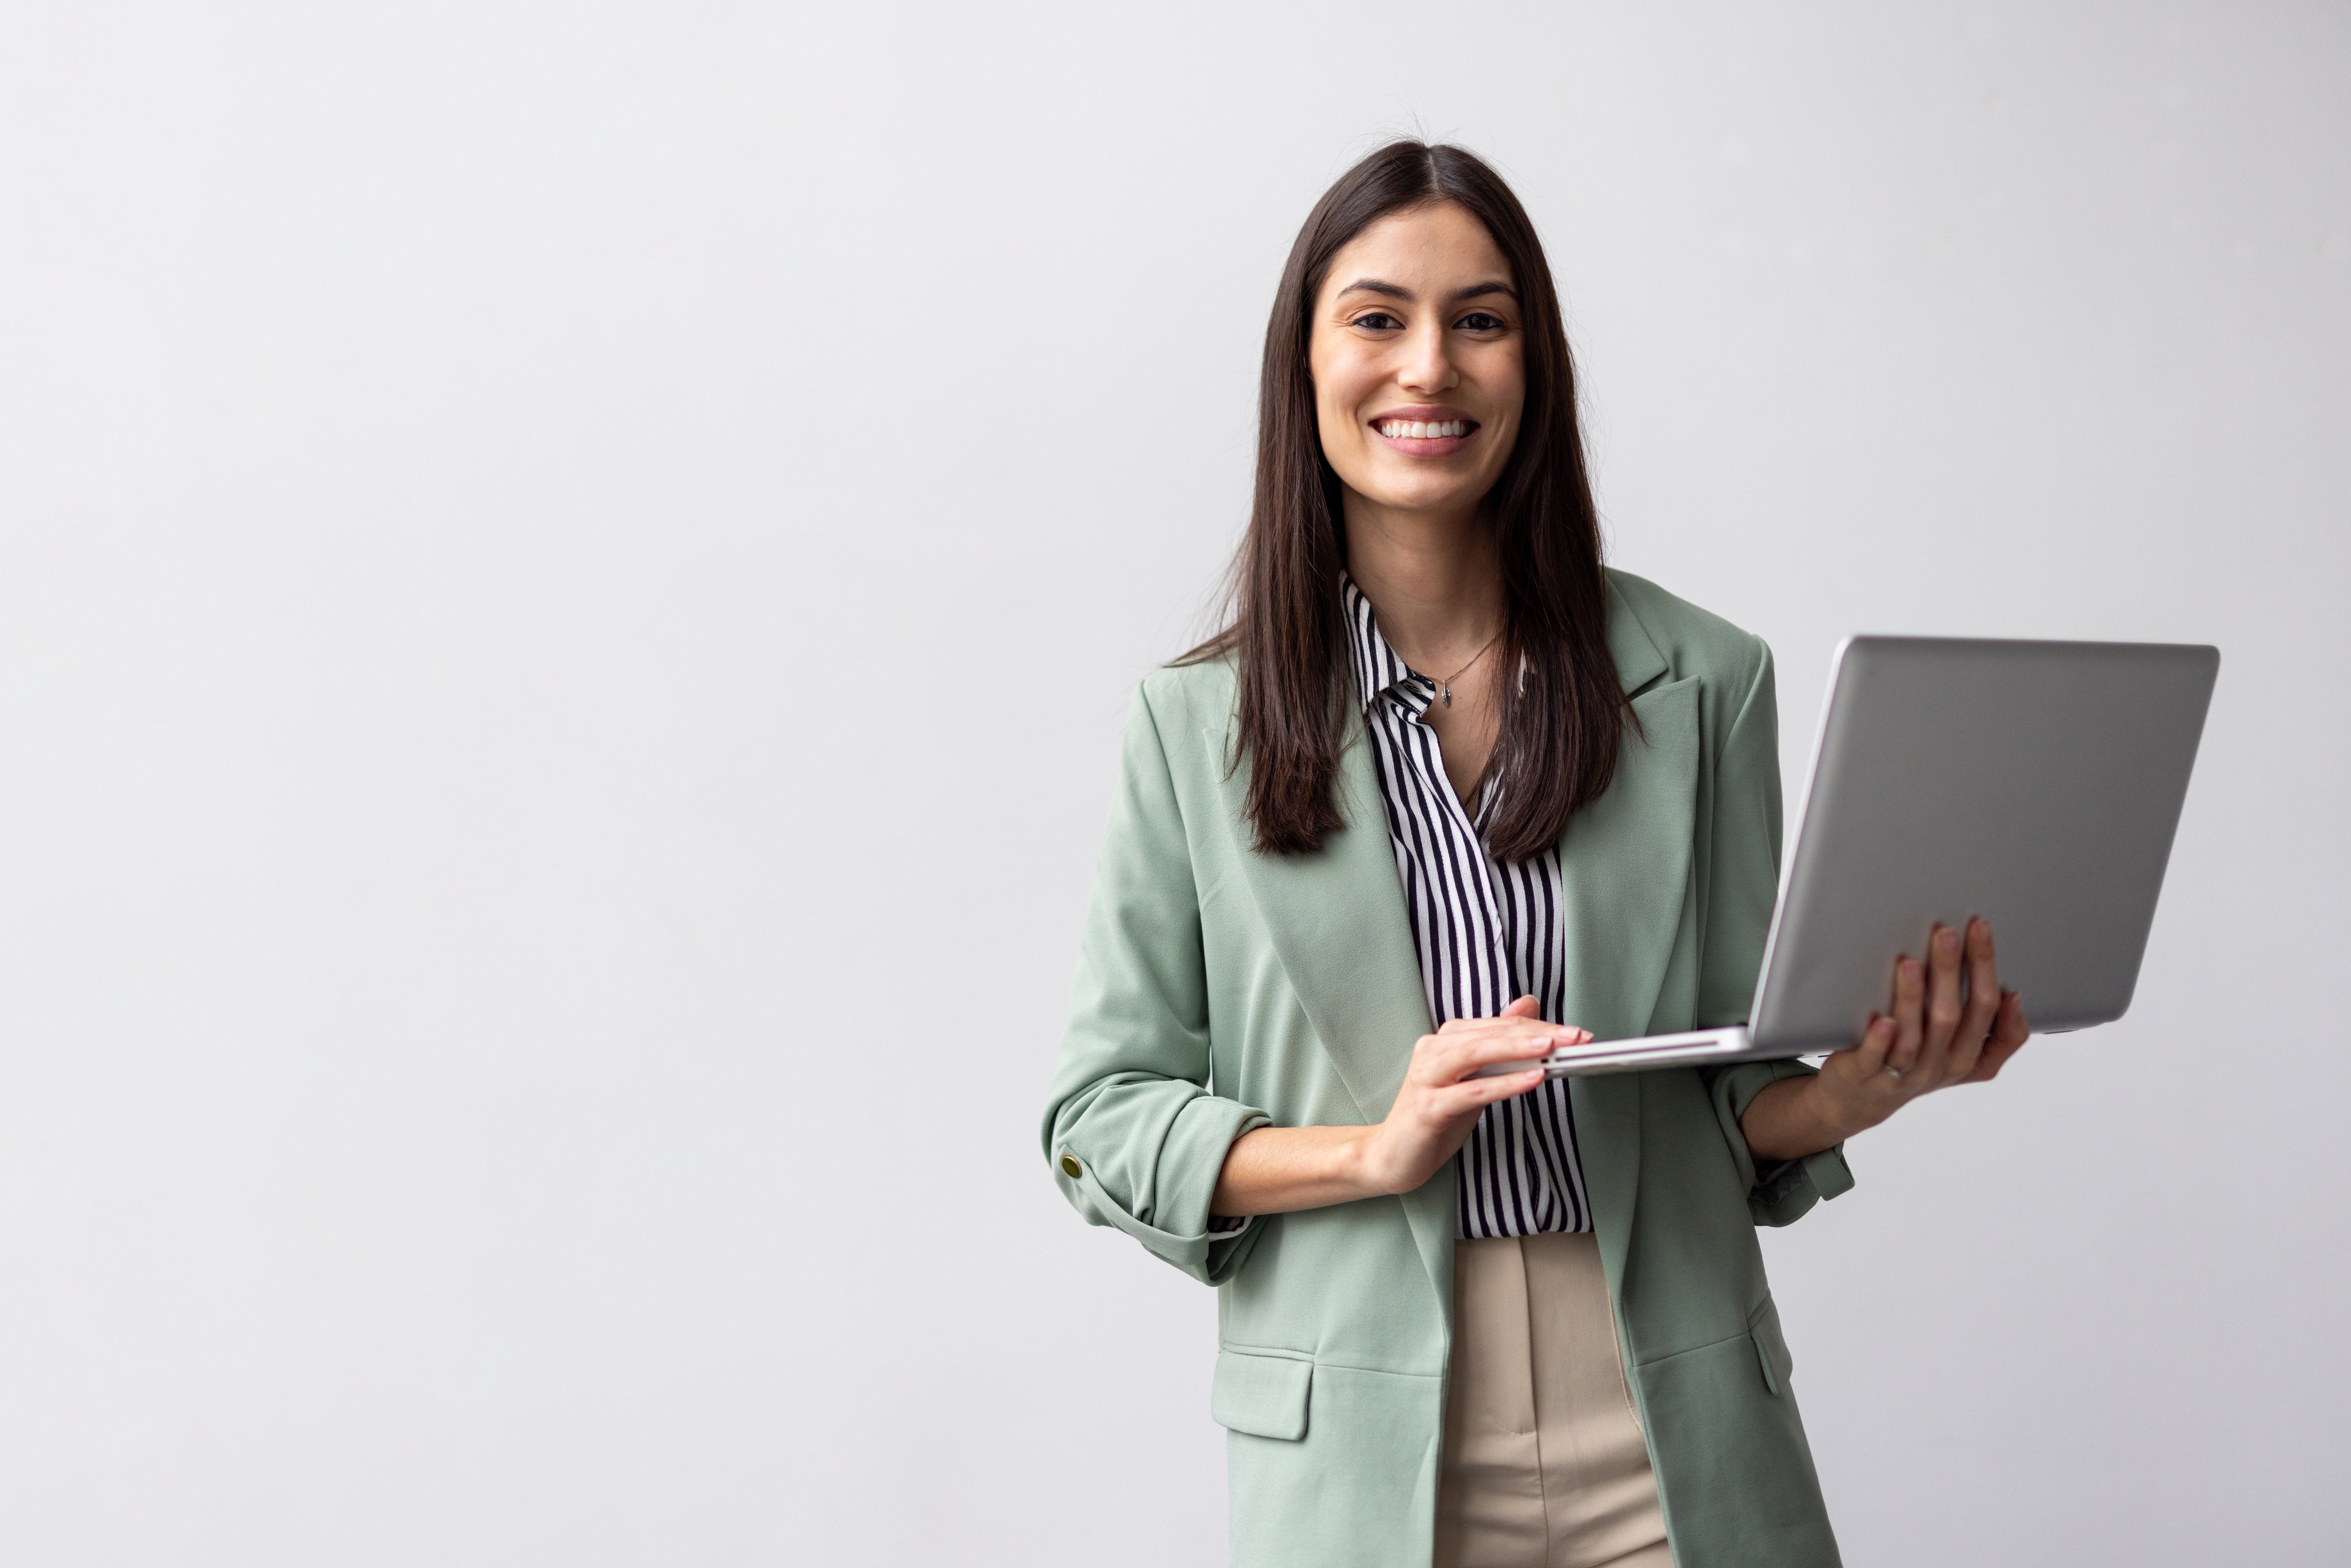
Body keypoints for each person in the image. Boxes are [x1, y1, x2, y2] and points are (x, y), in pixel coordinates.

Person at [1040, 141, 2030, 1568]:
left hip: (1673, 1415)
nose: (1429, 366)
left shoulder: (1703, 679)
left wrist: (1865, 1090)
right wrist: (1374, 1151)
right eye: (1377, 319)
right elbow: (1100, 1115)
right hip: (1367, 1445)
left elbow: (1732, 1093)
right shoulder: (1194, 725)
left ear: (1535, 364)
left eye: (1481, 321)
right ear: (1304, 366)